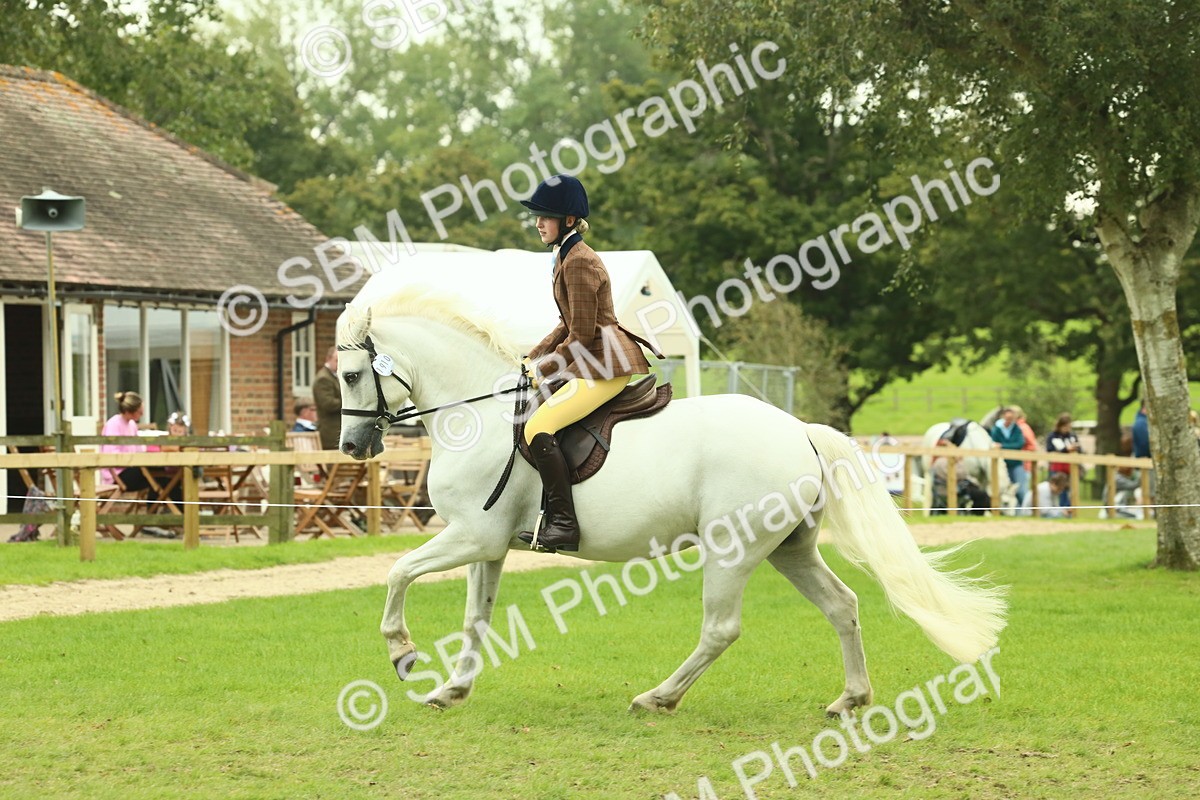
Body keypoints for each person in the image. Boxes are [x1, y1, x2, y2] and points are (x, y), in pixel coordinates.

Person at [514, 174, 661, 553]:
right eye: (537, 216)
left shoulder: (579, 261)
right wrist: (532, 357)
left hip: (604, 363)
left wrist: (543, 370)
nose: (537, 223)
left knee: (539, 426)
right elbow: (566, 323)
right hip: (594, 359)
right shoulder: (566, 255)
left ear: (567, 220)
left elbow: (579, 336)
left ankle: (563, 523)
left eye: (544, 216)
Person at [100, 391, 153, 494]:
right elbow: (110, 455)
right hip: (117, 475)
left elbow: (138, 449)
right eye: (140, 411)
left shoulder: (132, 425)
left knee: (162, 476)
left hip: (130, 468)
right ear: (129, 411)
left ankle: (154, 507)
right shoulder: (113, 424)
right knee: (152, 474)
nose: (142, 414)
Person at [990, 406, 1028, 507]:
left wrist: (1002, 446)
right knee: (1003, 490)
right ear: (1003, 417)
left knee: (1020, 490)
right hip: (1001, 464)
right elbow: (993, 444)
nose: (1009, 420)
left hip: (1015, 463)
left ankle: (1022, 512)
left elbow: (1019, 444)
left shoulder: (1016, 429)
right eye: (1008, 418)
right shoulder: (996, 429)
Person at [1046, 412, 1081, 509]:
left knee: (1070, 490)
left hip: (1070, 467)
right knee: (1058, 489)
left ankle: (1068, 511)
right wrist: (1066, 449)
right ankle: (1057, 510)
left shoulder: (1072, 436)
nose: (1067, 429)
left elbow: (1079, 449)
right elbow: (1050, 450)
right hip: (1057, 467)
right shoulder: (1053, 436)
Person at [312, 347, 341, 450]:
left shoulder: (334, 376)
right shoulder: (323, 378)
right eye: (337, 360)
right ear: (328, 359)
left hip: (337, 432)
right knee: (333, 465)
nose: (340, 364)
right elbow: (328, 404)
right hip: (331, 433)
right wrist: (349, 402)